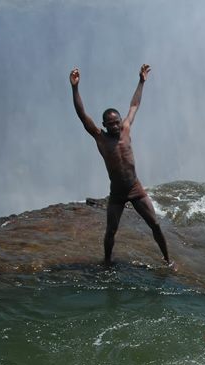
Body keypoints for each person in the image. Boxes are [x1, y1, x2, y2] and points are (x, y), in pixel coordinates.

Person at [70, 64, 173, 268]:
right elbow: (82, 116)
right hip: (117, 193)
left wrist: (141, 82)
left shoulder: (126, 130)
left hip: (135, 188)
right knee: (111, 231)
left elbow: (134, 105)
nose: (116, 125)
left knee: (155, 224)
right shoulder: (100, 138)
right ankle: (107, 262)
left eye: (117, 121)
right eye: (111, 123)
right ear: (105, 125)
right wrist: (75, 88)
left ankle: (168, 261)